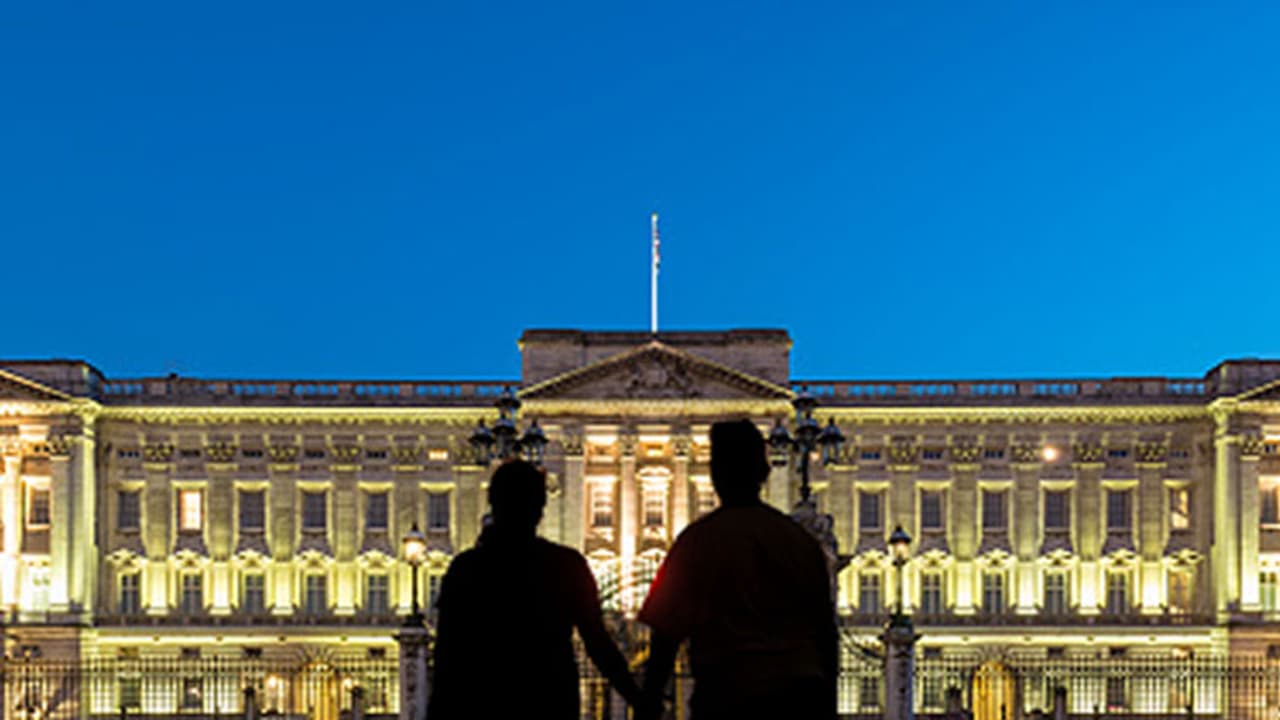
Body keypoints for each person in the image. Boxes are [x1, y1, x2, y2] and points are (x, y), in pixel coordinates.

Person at [637, 419, 838, 720]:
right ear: (764, 472)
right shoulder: (797, 540)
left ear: (715, 474)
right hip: (797, 694)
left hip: (728, 692)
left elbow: (664, 636)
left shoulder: (697, 541)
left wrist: (649, 701)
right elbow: (825, 632)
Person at [427, 459, 650, 720]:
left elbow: (447, 656)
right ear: (540, 510)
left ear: (493, 505)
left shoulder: (465, 569)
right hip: (550, 698)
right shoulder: (567, 565)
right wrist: (638, 698)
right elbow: (598, 644)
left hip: (486, 698)